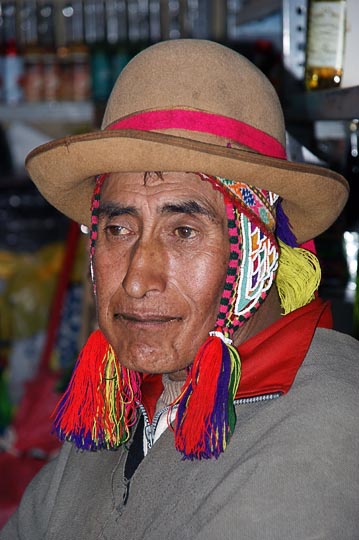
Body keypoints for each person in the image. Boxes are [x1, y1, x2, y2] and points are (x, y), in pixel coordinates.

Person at [1, 39, 358, 540]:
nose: (136, 279)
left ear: (260, 248)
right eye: (118, 230)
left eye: (184, 232)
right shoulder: (142, 397)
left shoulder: (325, 433)